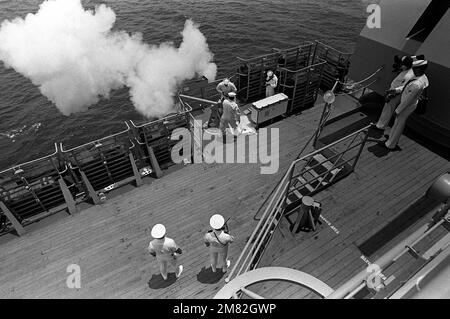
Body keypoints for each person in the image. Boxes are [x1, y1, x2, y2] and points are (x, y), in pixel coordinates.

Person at [383, 60, 429, 150]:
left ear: (419, 69)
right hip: (410, 104)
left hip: (406, 106)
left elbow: (407, 100)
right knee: (397, 123)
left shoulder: (417, 84)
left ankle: (390, 144)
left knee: (398, 124)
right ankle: (391, 138)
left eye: (415, 69)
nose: (413, 70)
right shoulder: (422, 77)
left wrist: (397, 110)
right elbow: (407, 88)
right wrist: (395, 90)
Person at [376, 56, 414, 130]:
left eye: (402, 64)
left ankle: (380, 126)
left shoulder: (408, 75)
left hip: (395, 94)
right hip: (393, 91)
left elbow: (403, 87)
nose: (401, 66)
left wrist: (392, 93)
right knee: (386, 109)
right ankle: (380, 124)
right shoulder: (407, 70)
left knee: (388, 110)